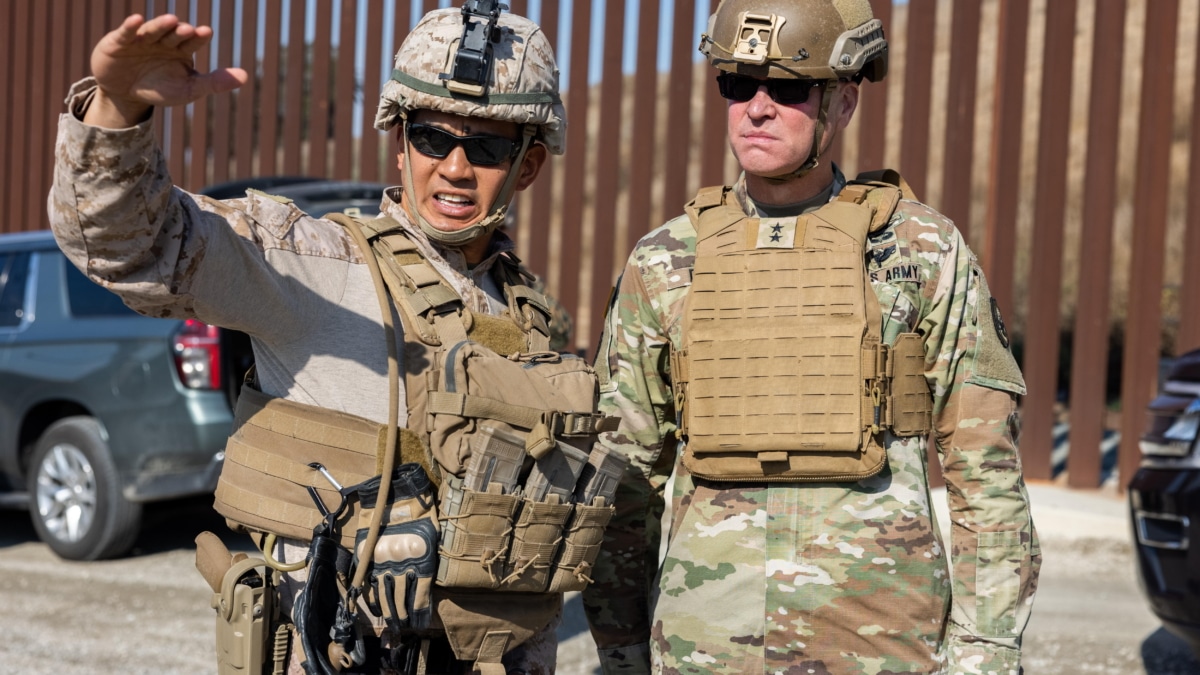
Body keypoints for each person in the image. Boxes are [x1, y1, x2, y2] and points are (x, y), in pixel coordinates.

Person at [48, 5, 611, 674]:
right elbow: (131, 245)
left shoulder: (530, 313)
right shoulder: (318, 263)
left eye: (487, 146)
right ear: (399, 142)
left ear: (528, 165)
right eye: (433, 138)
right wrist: (117, 112)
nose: (456, 167)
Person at [582, 0, 1041, 673]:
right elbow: (624, 481)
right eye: (738, 84)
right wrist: (620, 651)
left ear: (844, 103)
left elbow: (985, 470)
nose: (756, 108)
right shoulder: (663, 261)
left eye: (788, 87)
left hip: (882, 642)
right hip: (703, 647)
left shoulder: (922, 249)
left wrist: (987, 651)